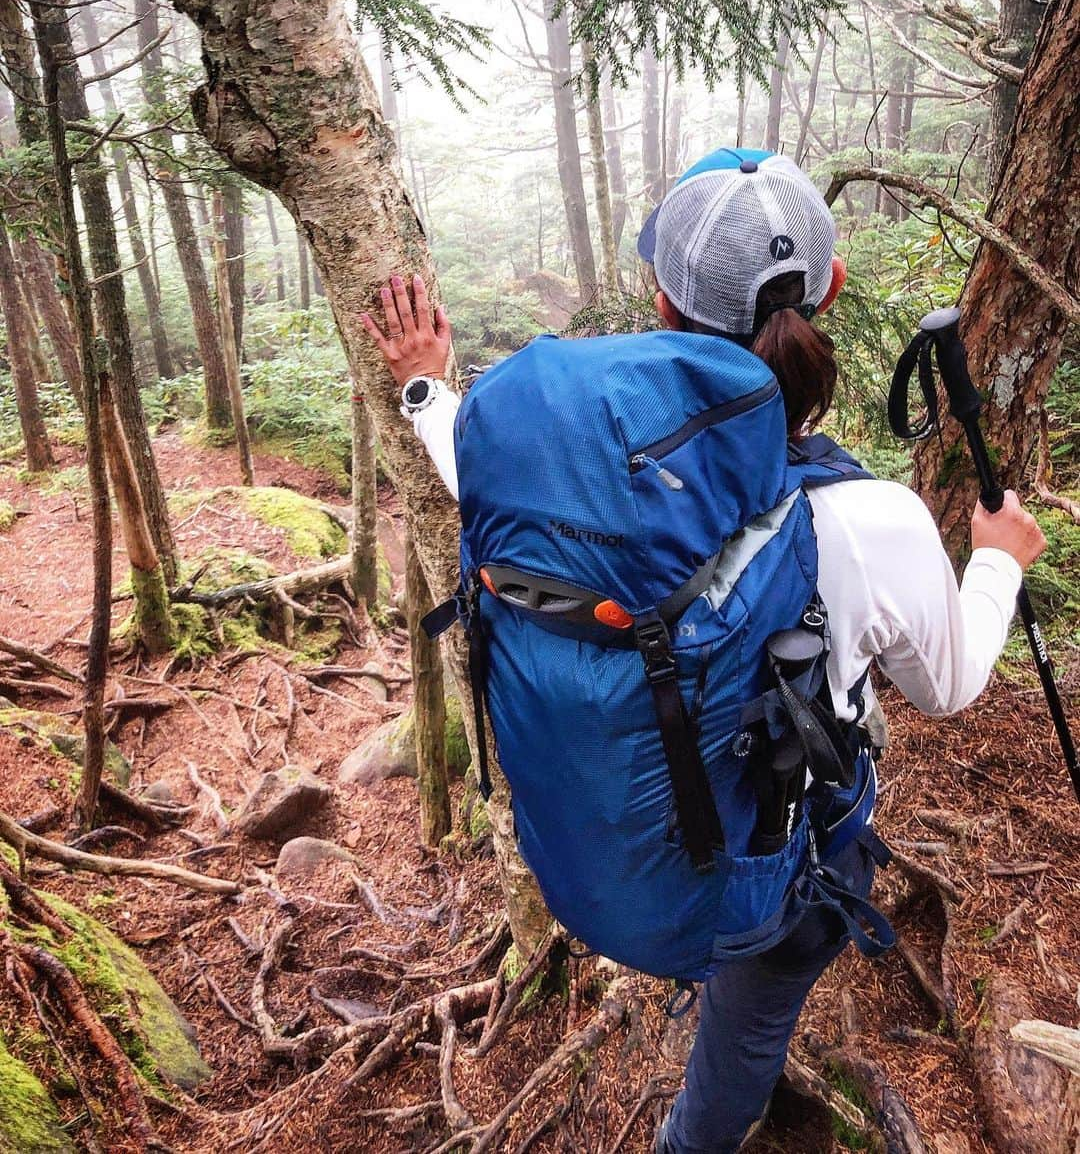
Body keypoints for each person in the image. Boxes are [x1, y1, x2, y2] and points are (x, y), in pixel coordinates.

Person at [362, 147, 1046, 1153]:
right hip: (778, 878)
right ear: (832, 290)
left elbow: (477, 473)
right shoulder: (873, 520)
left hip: (608, 852)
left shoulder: (576, 493)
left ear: (661, 302)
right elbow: (946, 687)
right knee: (752, 1024)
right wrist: (998, 562)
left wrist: (426, 389)